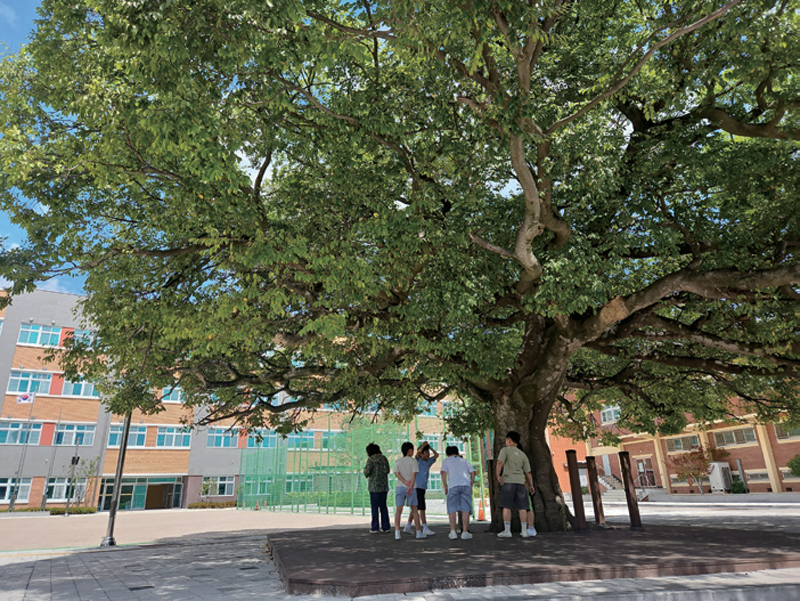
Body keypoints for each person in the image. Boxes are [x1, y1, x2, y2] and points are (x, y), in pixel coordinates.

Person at [495, 430, 535, 538]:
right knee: (523, 507)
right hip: (521, 483)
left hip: (508, 481)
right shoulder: (523, 454)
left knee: (506, 506)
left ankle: (507, 530)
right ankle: (524, 530)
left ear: (509, 440)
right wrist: (531, 485)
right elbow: (528, 472)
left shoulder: (505, 450)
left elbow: (500, 462)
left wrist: (498, 474)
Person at [440, 445, 476, 540]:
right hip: (465, 485)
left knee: (452, 508)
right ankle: (465, 532)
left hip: (453, 485)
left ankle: (453, 531)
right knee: (465, 509)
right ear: (457, 453)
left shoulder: (446, 461)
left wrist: (445, 485)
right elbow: (472, 472)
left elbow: (443, 473)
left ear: (448, 454)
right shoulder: (464, 460)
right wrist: (471, 484)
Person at [404, 441, 439, 536]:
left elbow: (437, 455)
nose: (428, 454)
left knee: (415, 507)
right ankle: (425, 527)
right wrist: (423, 445)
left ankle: (408, 526)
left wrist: (429, 447)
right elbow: (418, 453)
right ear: (422, 454)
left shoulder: (428, 462)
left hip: (422, 487)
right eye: (426, 453)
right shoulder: (417, 460)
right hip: (417, 487)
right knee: (422, 507)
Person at [394, 441, 425, 540]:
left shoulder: (398, 461)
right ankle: (418, 532)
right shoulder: (413, 461)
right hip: (412, 488)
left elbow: (397, 473)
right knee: (415, 510)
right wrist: (410, 486)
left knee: (398, 511)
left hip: (400, 487)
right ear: (410, 450)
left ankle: (397, 532)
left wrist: (404, 482)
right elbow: (414, 475)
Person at [363, 442, 391, 533]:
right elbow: (387, 470)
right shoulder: (384, 458)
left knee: (374, 507)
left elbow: (367, 473)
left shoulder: (371, 459)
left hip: (374, 487)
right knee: (383, 506)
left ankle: (375, 527)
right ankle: (386, 527)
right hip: (383, 487)